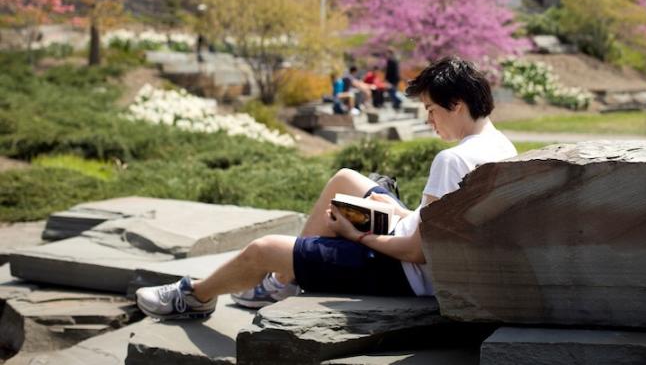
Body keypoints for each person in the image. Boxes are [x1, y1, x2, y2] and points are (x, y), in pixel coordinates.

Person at [135, 56, 517, 319]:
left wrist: (356, 234)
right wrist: (402, 215)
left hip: (402, 273)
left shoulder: (451, 161)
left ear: (458, 104)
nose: (430, 121)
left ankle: (195, 296)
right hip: (415, 244)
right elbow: (437, 228)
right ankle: (287, 280)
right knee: (346, 179)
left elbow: (416, 252)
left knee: (264, 248)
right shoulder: (500, 146)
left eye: (431, 110)